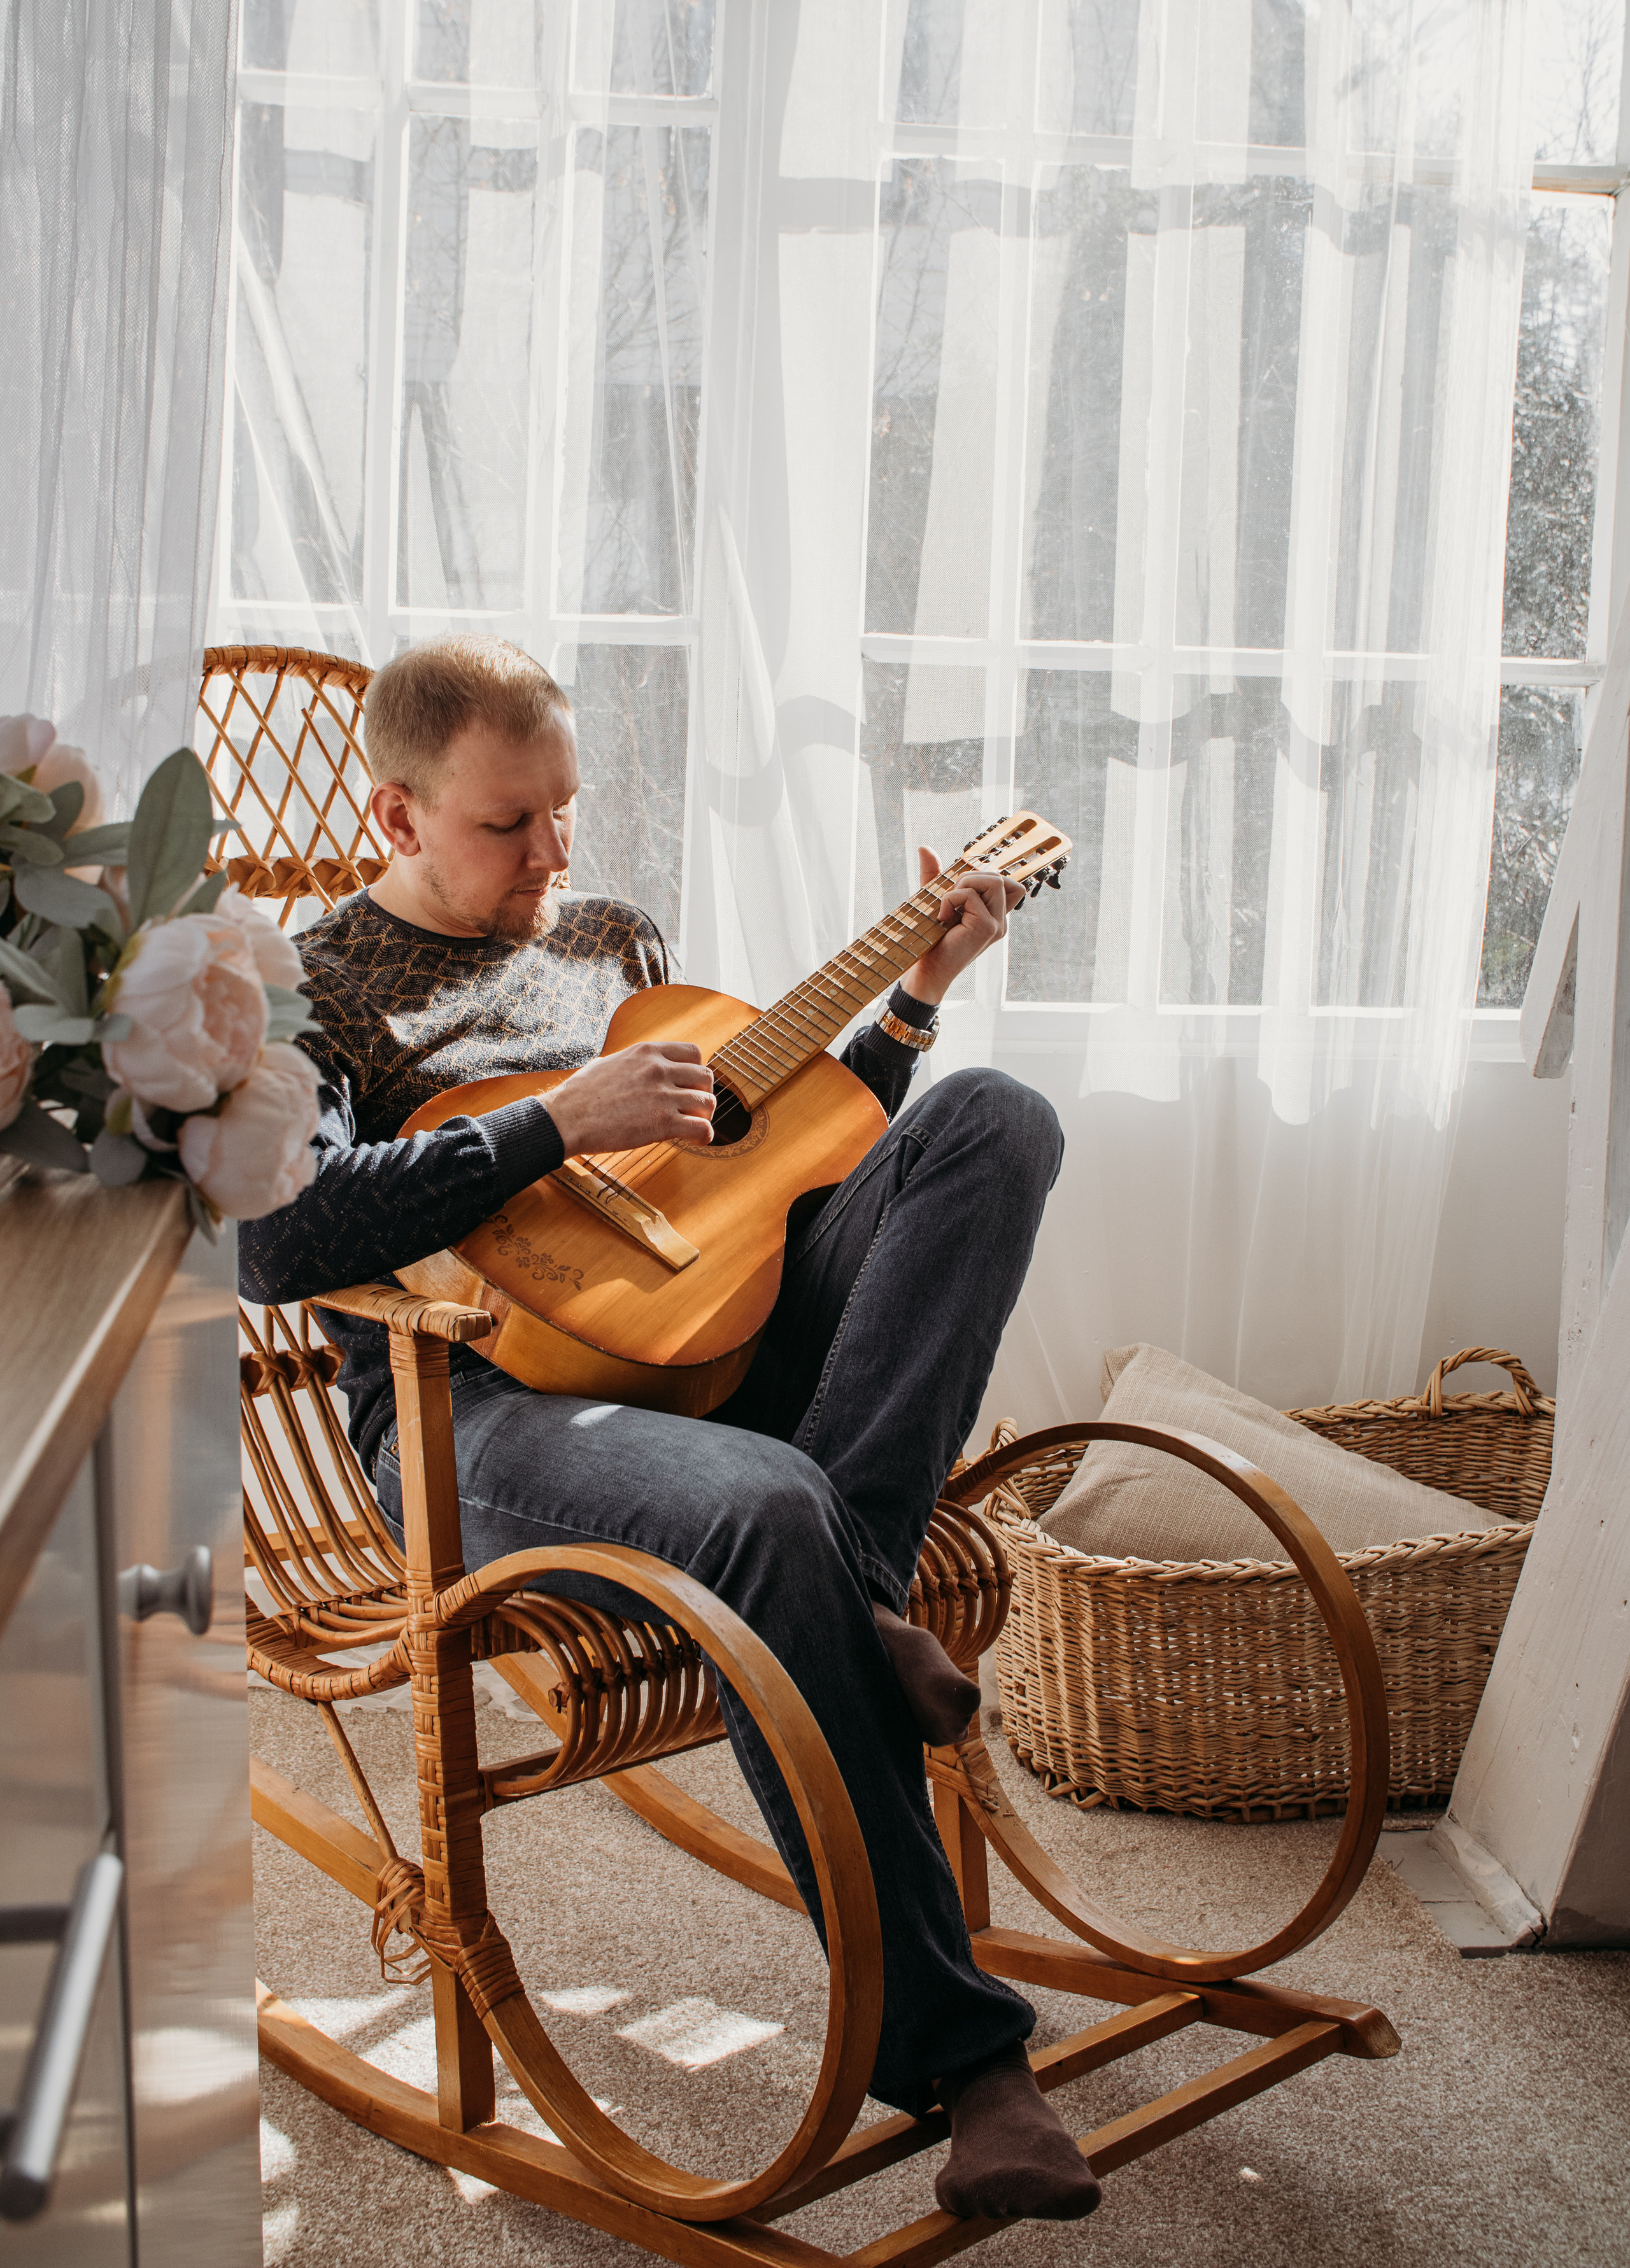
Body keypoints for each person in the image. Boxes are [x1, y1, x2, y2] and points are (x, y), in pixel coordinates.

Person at [239, 635, 1098, 2223]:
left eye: (566, 809)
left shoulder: (609, 940)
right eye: (510, 824)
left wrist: (911, 1003)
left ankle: (854, 1584)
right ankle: (970, 2057)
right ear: (394, 816)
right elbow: (273, 1239)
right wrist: (553, 1118)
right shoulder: (305, 984)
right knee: (763, 1509)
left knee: (996, 1118)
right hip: (471, 1411)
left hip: (704, 1357)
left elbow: (739, 1175)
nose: (556, 853)